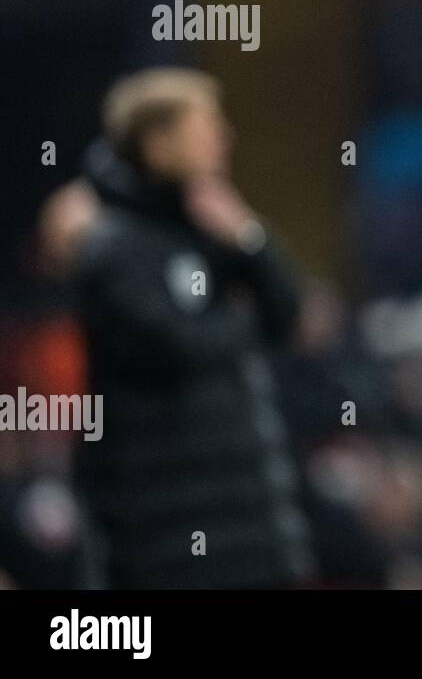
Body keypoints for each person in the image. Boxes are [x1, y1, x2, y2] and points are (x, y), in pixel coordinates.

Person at [73, 67, 315, 587]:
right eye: (206, 127)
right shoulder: (115, 248)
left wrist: (251, 240)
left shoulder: (211, 230)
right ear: (159, 145)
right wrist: (237, 321)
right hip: (166, 542)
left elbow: (289, 318)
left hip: (249, 527)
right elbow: (176, 345)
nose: (224, 138)